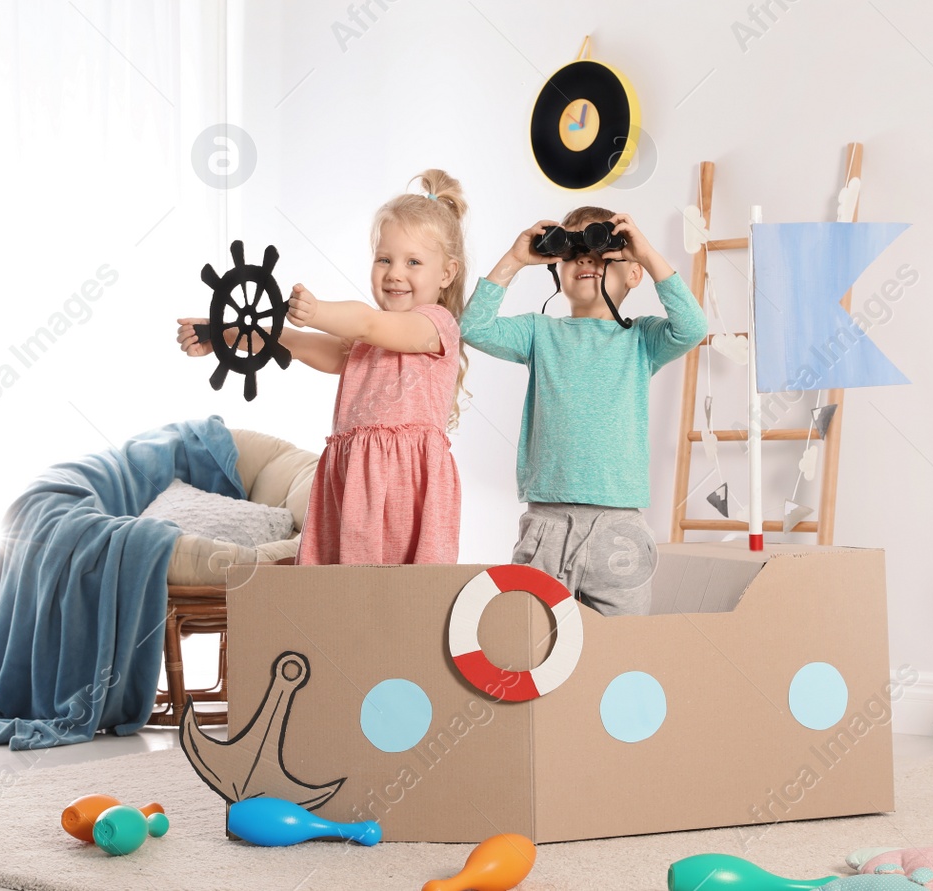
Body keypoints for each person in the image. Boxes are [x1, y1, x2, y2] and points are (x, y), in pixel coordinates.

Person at [177, 170, 469, 564]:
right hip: (353, 483)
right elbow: (295, 344)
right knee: (339, 594)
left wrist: (317, 312)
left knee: (401, 598)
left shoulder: (434, 326)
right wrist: (222, 335)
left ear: (446, 273)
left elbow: (367, 321)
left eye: (413, 261)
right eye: (385, 259)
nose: (395, 273)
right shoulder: (365, 345)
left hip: (404, 485)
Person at [459, 206, 707, 615]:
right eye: (572, 253)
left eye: (605, 252)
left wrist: (645, 251)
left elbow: (692, 327)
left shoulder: (642, 338)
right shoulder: (539, 333)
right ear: (557, 269)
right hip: (547, 522)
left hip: (619, 525)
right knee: (529, 635)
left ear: (633, 274)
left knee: (622, 645)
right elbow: (474, 328)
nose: (586, 260)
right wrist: (514, 259)